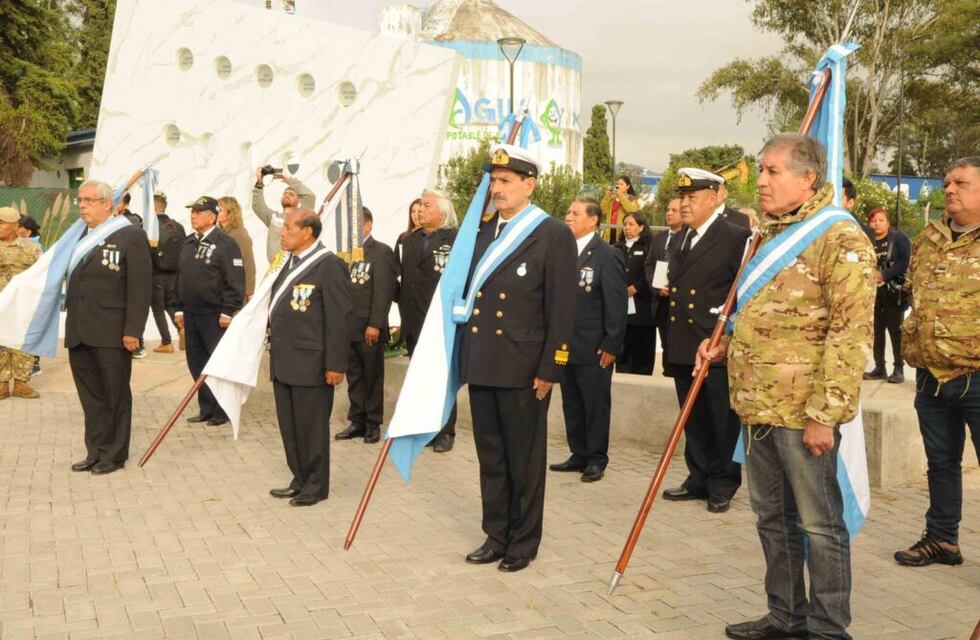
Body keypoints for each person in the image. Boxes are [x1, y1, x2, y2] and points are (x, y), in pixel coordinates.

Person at [698, 134, 875, 640]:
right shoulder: (767, 235)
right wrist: (723, 346)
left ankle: (826, 627)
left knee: (819, 526)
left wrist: (825, 414)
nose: (762, 181)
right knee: (771, 520)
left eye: (774, 171)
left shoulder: (840, 238)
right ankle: (786, 616)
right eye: (761, 170)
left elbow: (850, 334)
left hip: (803, 413)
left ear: (808, 179)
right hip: (757, 408)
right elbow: (757, 314)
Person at [459, 143, 576, 573]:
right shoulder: (482, 231)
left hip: (525, 369)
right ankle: (496, 534)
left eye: (506, 181)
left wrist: (551, 367)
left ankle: (523, 542)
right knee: (491, 456)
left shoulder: (551, 234)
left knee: (523, 460)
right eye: (493, 181)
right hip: (484, 360)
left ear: (530, 184)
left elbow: (562, 311)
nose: (497, 188)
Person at [894, 156, 980, 568]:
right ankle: (943, 538)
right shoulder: (928, 238)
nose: (949, 189)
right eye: (947, 182)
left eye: (961, 183)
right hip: (931, 376)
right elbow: (914, 293)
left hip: (977, 377)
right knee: (940, 462)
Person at [661, 168, 751, 514]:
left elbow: (741, 290)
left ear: (714, 199)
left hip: (713, 344)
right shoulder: (683, 236)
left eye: (692, 197)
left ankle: (723, 481)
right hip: (684, 342)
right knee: (692, 417)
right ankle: (698, 475)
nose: (684, 204)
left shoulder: (734, 236)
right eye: (682, 197)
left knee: (720, 419)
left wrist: (726, 336)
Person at [66, 180, 153, 475]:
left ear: (108, 204)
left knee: (115, 394)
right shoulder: (78, 237)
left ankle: (114, 454)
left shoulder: (130, 236)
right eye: (80, 200)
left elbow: (140, 288)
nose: (83, 205)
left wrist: (133, 330)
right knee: (91, 397)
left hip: (112, 331)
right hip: (80, 330)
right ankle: (95, 450)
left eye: (89, 200)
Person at [267, 208, 352, 507]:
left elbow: (339, 318)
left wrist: (335, 365)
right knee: (290, 428)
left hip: (312, 363)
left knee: (311, 428)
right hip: (284, 360)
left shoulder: (329, 266)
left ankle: (316, 485)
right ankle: (300, 478)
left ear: (307, 232)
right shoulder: (285, 263)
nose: (283, 232)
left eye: (289, 227)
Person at [550, 196, 626, 482]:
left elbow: (616, 304)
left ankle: (596, 458)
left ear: (593, 220)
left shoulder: (606, 254)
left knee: (594, 404)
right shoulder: (561, 251)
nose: (568, 217)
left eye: (576, 213)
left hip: (594, 347)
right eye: (568, 212)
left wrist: (611, 344)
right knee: (571, 401)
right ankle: (578, 453)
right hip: (564, 345)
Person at [174, 196, 246, 427]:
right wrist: (177, 308)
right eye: (192, 211)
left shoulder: (225, 243)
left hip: (214, 316)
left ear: (212, 216)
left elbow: (235, 280)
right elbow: (180, 279)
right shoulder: (187, 243)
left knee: (217, 365)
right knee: (197, 363)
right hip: (191, 314)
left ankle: (221, 410)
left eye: (198, 211)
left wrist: (228, 310)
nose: (193, 215)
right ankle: (206, 407)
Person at [396, 189, 458, 452]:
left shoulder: (455, 239)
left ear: (442, 211)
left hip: (438, 321)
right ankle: (425, 428)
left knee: (441, 380)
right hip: (412, 320)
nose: (420, 210)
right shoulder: (409, 240)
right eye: (419, 204)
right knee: (420, 378)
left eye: (427, 205)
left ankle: (445, 431)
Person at [335, 208, 398, 444]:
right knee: (354, 376)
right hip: (348, 327)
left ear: (368, 224)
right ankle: (357, 421)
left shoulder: (380, 252)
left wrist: (375, 324)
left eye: (357, 224)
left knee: (372, 376)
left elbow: (383, 292)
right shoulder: (345, 254)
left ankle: (373, 423)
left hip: (368, 327)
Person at [862, 207, 911, 383]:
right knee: (876, 331)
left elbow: (904, 262)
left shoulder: (899, 239)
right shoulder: (865, 240)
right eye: (873, 220)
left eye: (881, 220)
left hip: (893, 291)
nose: (877, 223)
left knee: (895, 330)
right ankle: (879, 367)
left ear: (888, 222)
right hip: (872, 293)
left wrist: (883, 275)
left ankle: (898, 368)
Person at [0, 207, 43, 399]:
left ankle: (20, 383)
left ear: (15, 226)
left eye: (2, 223)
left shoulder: (31, 248)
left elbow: (42, 273)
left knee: (22, 343)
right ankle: (1, 384)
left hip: (22, 305)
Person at [644, 198, 683, 375]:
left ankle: (676, 371)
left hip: (680, 300)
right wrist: (657, 287)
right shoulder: (659, 238)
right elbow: (649, 265)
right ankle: (667, 371)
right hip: (660, 300)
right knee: (665, 338)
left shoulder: (688, 238)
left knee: (678, 340)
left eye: (674, 210)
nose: (669, 213)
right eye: (668, 209)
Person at [615, 212, 655, 374]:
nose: (627, 228)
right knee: (624, 338)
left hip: (642, 304)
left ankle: (642, 371)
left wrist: (637, 287)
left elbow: (652, 271)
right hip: (622, 302)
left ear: (641, 227)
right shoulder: (617, 247)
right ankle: (622, 368)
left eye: (631, 224)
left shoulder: (649, 246)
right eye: (625, 224)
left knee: (642, 340)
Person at [148, 191, 186, 354]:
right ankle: (182, 329)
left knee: (157, 308)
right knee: (170, 304)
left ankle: (166, 342)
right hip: (175, 273)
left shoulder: (151, 227)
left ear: (154, 208)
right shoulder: (178, 226)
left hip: (155, 273)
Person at [252, 167, 315, 262]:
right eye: (285, 194)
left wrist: (289, 180)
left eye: (291, 194)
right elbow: (257, 206)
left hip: (294, 267)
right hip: (274, 270)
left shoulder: (302, 215)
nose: (287, 195)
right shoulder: (274, 217)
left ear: (299, 201)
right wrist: (259, 181)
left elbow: (310, 196)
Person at [218, 196, 257, 300]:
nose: (216, 212)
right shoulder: (218, 232)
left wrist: (249, 292)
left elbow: (248, 263)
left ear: (230, 212)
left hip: (236, 291)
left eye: (220, 210)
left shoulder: (240, 234)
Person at [600, 175, 639, 243]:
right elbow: (602, 210)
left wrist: (621, 195)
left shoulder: (631, 198)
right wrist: (606, 196)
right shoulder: (612, 198)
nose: (618, 186)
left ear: (627, 186)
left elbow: (632, 211)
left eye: (621, 184)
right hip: (609, 231)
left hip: (622, 232)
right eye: (617, 184)